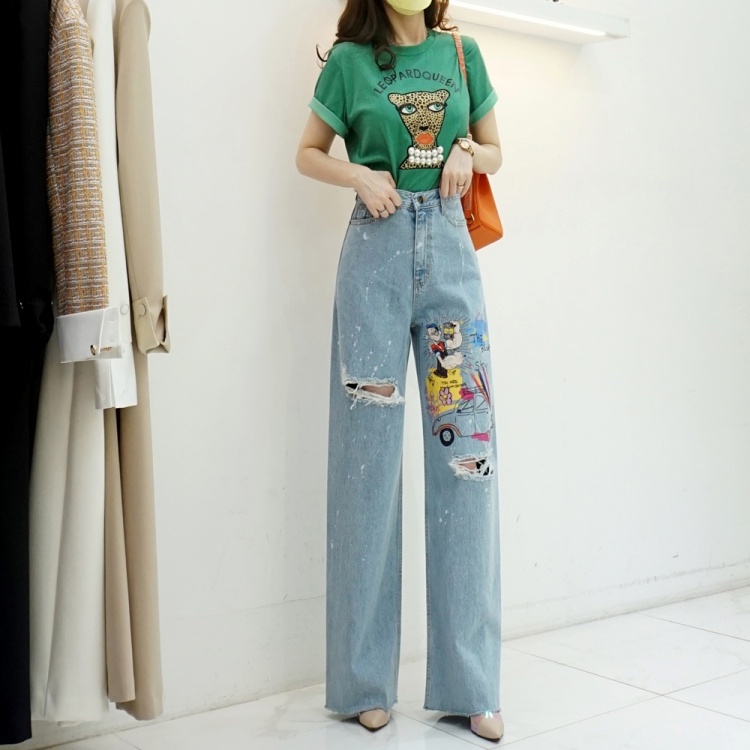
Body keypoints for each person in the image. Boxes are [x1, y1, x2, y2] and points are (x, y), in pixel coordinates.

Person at [295, 0, 503, 741]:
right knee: (366, 468)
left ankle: (472, 684)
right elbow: (307, 152)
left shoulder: (461, 55)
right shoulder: (350, 62)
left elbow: (496, 150)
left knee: (467, 463)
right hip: (374, 259)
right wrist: (357, 175)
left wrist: (467, 152)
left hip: (449, 259)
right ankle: (361, 683)